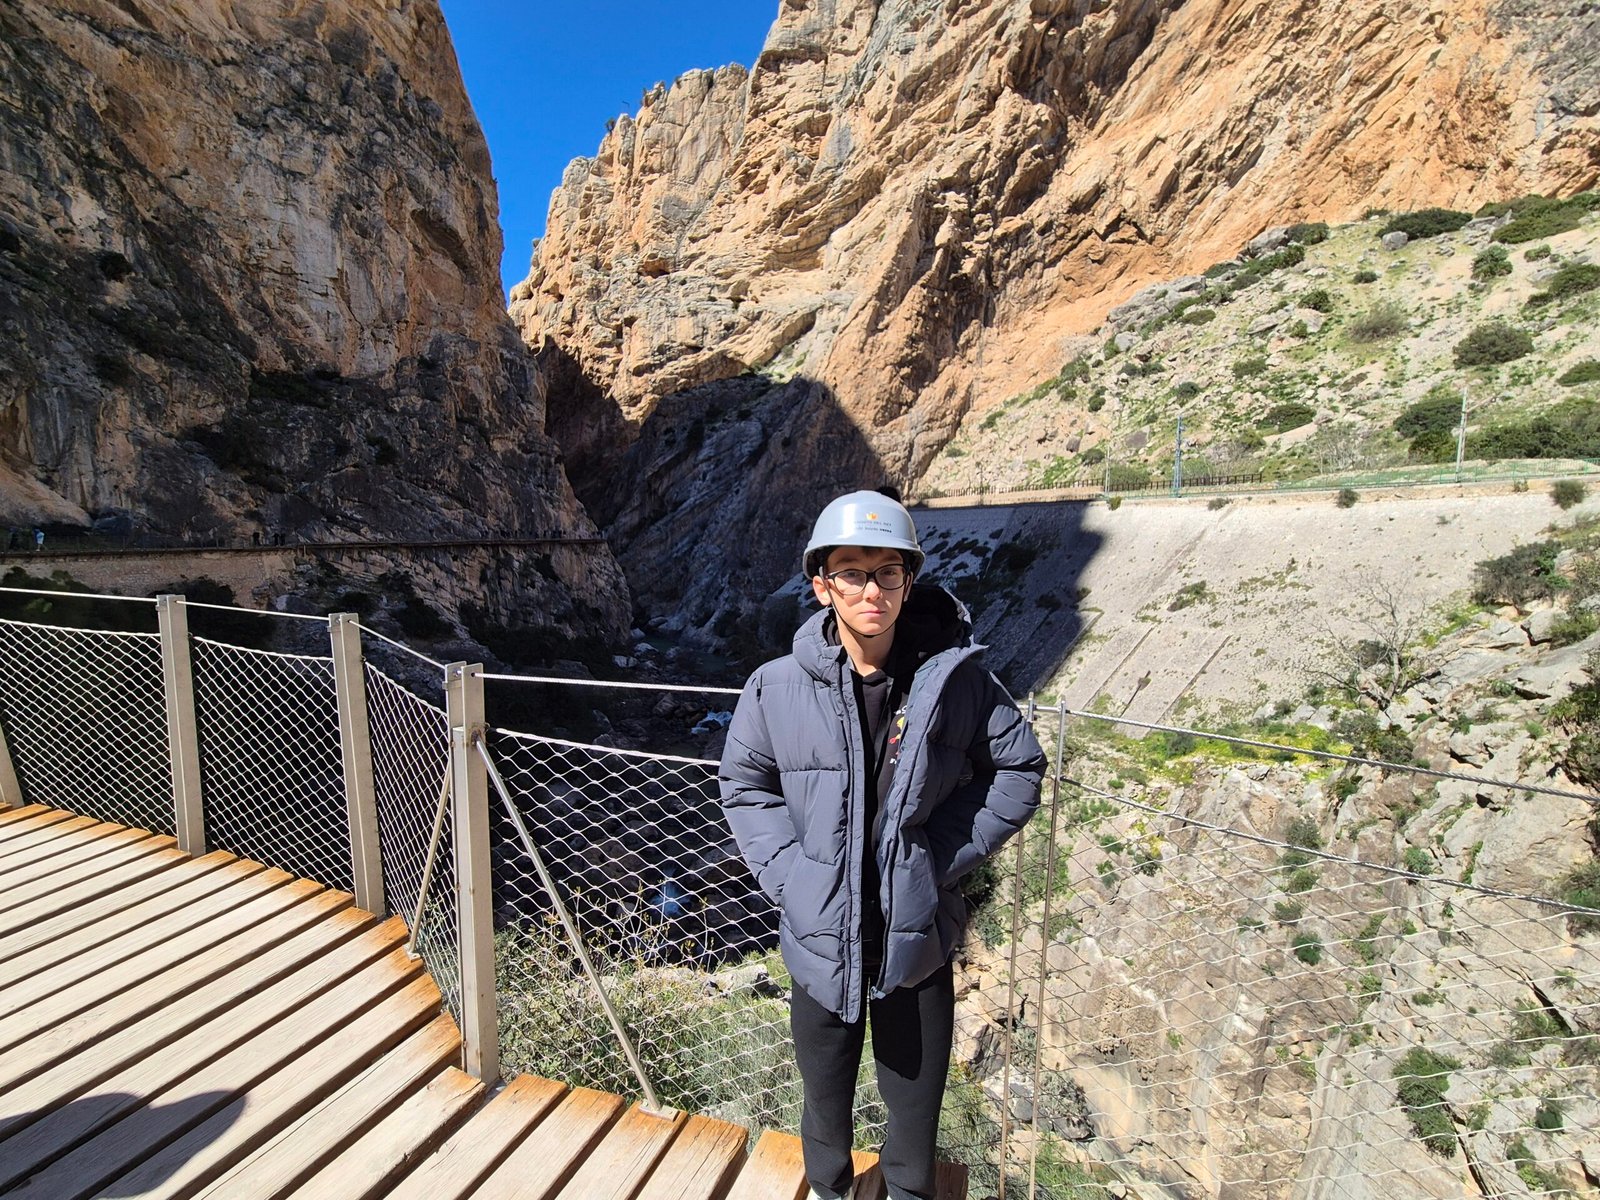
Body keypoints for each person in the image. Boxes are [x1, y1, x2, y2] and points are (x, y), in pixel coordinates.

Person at [720, 489, 1046, 1200]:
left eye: (887, 572)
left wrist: (937, 859)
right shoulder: (774, 688)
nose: (872, 590)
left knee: (913, 1119)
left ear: (909, 579)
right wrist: (796, 878)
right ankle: (830, 1192)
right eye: (852, 572)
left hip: (918, 940)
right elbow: (745, 786)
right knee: (824, 1110)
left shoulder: (957, 683)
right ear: (822, 585)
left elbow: (1019, 767)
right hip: (819, 939)